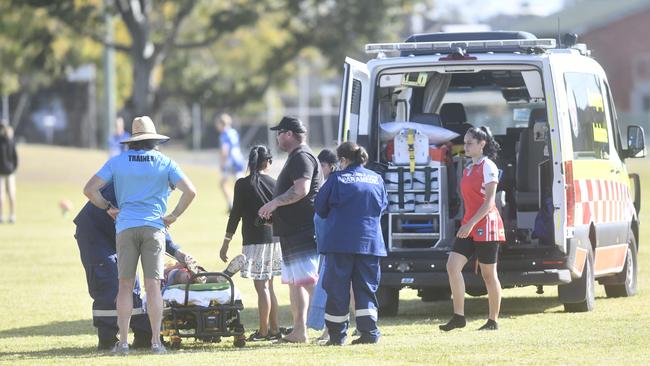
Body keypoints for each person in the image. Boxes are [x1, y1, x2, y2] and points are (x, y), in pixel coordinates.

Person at [83, 116, 197, 355]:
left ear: (132, 141)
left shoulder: (118, 161)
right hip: (154, 228)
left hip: (125, 227)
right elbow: (190, 191)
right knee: (153, 285)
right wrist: (173, 215)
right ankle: (156, 342)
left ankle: (122, 343)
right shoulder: (165, 162)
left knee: (124, 286)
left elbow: (89, 189)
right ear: (154, 140)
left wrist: (107, 207)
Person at [74, 182, 196, 350]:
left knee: (133, 287)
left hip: (121, 234)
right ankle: (107, 340)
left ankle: (144, 337)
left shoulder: (148, 188)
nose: (168, 193)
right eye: (168, 189)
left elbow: (152, 225)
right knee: (107, 283)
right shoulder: (133, 185)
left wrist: (178, 253)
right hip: (96, 234)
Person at [315, 142, 387, 346]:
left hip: (340, 243)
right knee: (366, 288)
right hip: (370, 243)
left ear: (343, 160)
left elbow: (320, 207)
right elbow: (382, 207)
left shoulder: (337, 179)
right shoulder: (376, 179)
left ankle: (337, 336)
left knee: (337, 289)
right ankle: (369, 333)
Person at [258, 116, 322, 343]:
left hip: (301, 229)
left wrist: (274, 203)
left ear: (288, 134)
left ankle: (331, 328)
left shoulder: (301, 157)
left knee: (310, 281)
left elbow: (301, 190)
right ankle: (299, 331)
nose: (276, 138)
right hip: (290, 230)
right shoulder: (296, 157)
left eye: (279, 133)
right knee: (296, 283)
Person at [439, 126, 505, 332]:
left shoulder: (488, 166)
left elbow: (489, 203)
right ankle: (459, 316)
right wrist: (466, 223)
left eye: (469, 143)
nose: (465, 146)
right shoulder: (468, 167)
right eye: (465, 142)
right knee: (452, 266)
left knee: (488, 275)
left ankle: (493, 320)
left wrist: (469, 224)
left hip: (486, 226)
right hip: (469, 225)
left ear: (482, 144)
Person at [219, 145, 283, 342]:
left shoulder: (242, 184)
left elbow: (235, 215)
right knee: (270, 286)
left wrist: (226, 242)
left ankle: (263, 332)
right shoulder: (275, 183)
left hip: (254, 242)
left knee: (261, 286)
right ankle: (273, 329)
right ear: (267, 162)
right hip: (274, 240)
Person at [306, 149, 337, 343]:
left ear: (331, 165)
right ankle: (328, 330)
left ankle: (330, 331)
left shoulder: (334, 184)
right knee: (327, 289)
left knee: (330, 290)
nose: (321, 169)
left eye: (323, 166)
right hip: (325, 245)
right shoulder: (328, 184)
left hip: (332, 246)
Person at [215, 113, 245, 211]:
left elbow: (225, 149)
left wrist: (222, 163)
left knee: (223, 183)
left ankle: (232, 205)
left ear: (221, 124)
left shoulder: (224, 134)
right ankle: (239, 204)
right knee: (239, 184)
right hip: (239, 159)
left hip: (230, 161)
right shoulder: (233, 132)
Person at [0, 122, 18, 224]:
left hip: (5, 173)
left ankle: (7, 215)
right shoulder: (9, 141)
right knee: (6, 195)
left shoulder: (8, 142)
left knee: (6, 194)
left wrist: (12, 168)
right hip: (6, 172)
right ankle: (7, 216)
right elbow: (15, 158)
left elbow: (15, 157)